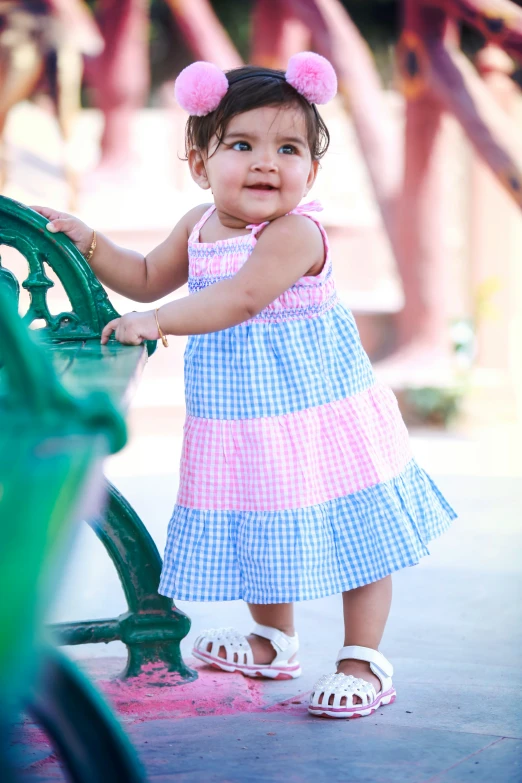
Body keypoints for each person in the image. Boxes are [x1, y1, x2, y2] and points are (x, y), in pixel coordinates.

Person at [33, 52, 456, 720]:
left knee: (357, 536)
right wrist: (91, 246)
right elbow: (144, 275)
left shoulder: (294, 234)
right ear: (200, 162)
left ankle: (362, 658)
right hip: (243, 421)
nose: (267, 162)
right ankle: (272, 638)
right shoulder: (196, 226)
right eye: (242, 144)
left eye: (289, 148)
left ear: (311, 171)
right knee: (261, 523)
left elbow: (240, 298)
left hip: (318, 413)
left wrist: (156, 323)